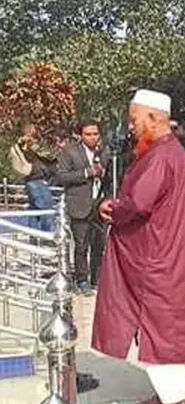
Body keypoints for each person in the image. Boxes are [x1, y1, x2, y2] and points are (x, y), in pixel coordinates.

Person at [91, 89, 185, 404]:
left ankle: (174, 402)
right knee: (164, 326)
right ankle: (169, 394)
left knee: (161, 328)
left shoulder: (161, 156)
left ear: (154, 118)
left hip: (158, 258)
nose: (131, 126)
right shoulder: (165, 152)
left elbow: (139, 203)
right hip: (162, 253)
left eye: (135, 119)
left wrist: (113, 208)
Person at [54, 120, 111, 295]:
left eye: (95, 134)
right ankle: (82, 279)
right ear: (81, 135)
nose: (92, 137)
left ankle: (96, 279)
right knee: (81, 245)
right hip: (79, 204)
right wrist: (86, 173)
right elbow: (61, 177)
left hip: (99, 204)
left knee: (99, 244)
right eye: (88, 134)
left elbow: (112, 175)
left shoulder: (105, 152)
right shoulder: (70, 152)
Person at [14, 121, 59, 231]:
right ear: (29, 131)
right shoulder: (27, 144)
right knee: (46, 210)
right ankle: (46, 235)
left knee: (34, 211)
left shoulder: (25, 144)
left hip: (32, 180)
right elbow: (48, 155)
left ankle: (33, 236)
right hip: (36, 179)